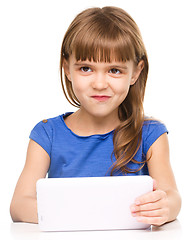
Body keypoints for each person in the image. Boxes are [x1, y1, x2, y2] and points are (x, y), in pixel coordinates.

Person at [10, 6, 181, 226]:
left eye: (115, 70)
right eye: (86, 68)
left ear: (136, 72)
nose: (99, 84)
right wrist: (88, 215)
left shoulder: (150, 134)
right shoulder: (47, 135)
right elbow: (19, 204)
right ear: (67, 69)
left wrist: (164, 207)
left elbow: (172, 196)